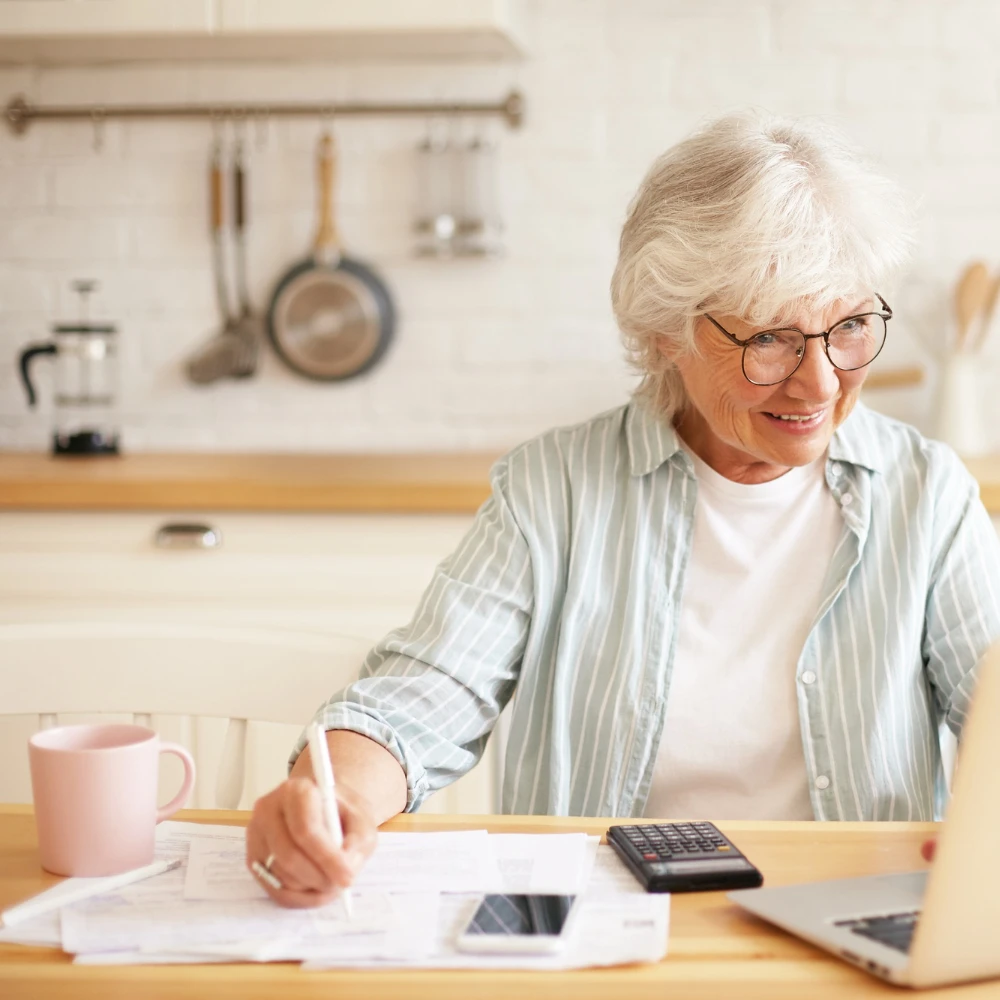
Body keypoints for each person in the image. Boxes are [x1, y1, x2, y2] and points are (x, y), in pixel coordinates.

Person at [245, 110, 1000, 908]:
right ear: (664, 330)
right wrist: (335, 803)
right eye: (771, 339)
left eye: (848, 325)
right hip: (600, 924)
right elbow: (424, 695)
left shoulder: (927, 494)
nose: (819, 383)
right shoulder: (553, 492)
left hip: (857, 920)